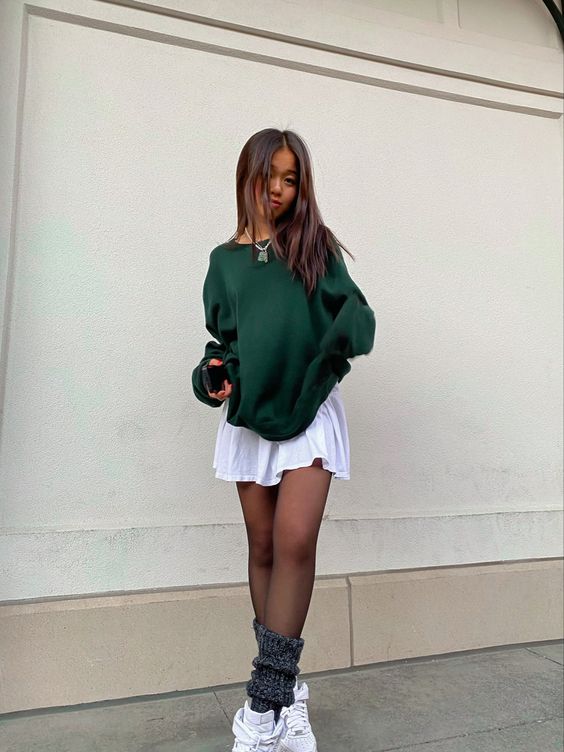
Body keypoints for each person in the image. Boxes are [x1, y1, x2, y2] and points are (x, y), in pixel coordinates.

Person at [192, 128, 376, 751]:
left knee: (296, 540)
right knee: (265, 547)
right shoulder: (223, 262)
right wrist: (212, 375)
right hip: (252, 417)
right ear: (246, 175)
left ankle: (260, 708)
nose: (278, 189)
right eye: (269, 174)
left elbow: (353, 311)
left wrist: (343, 337)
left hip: (307, 411)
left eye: (290, 178)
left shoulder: (313, 246)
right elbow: (223, 344)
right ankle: (288, 694)